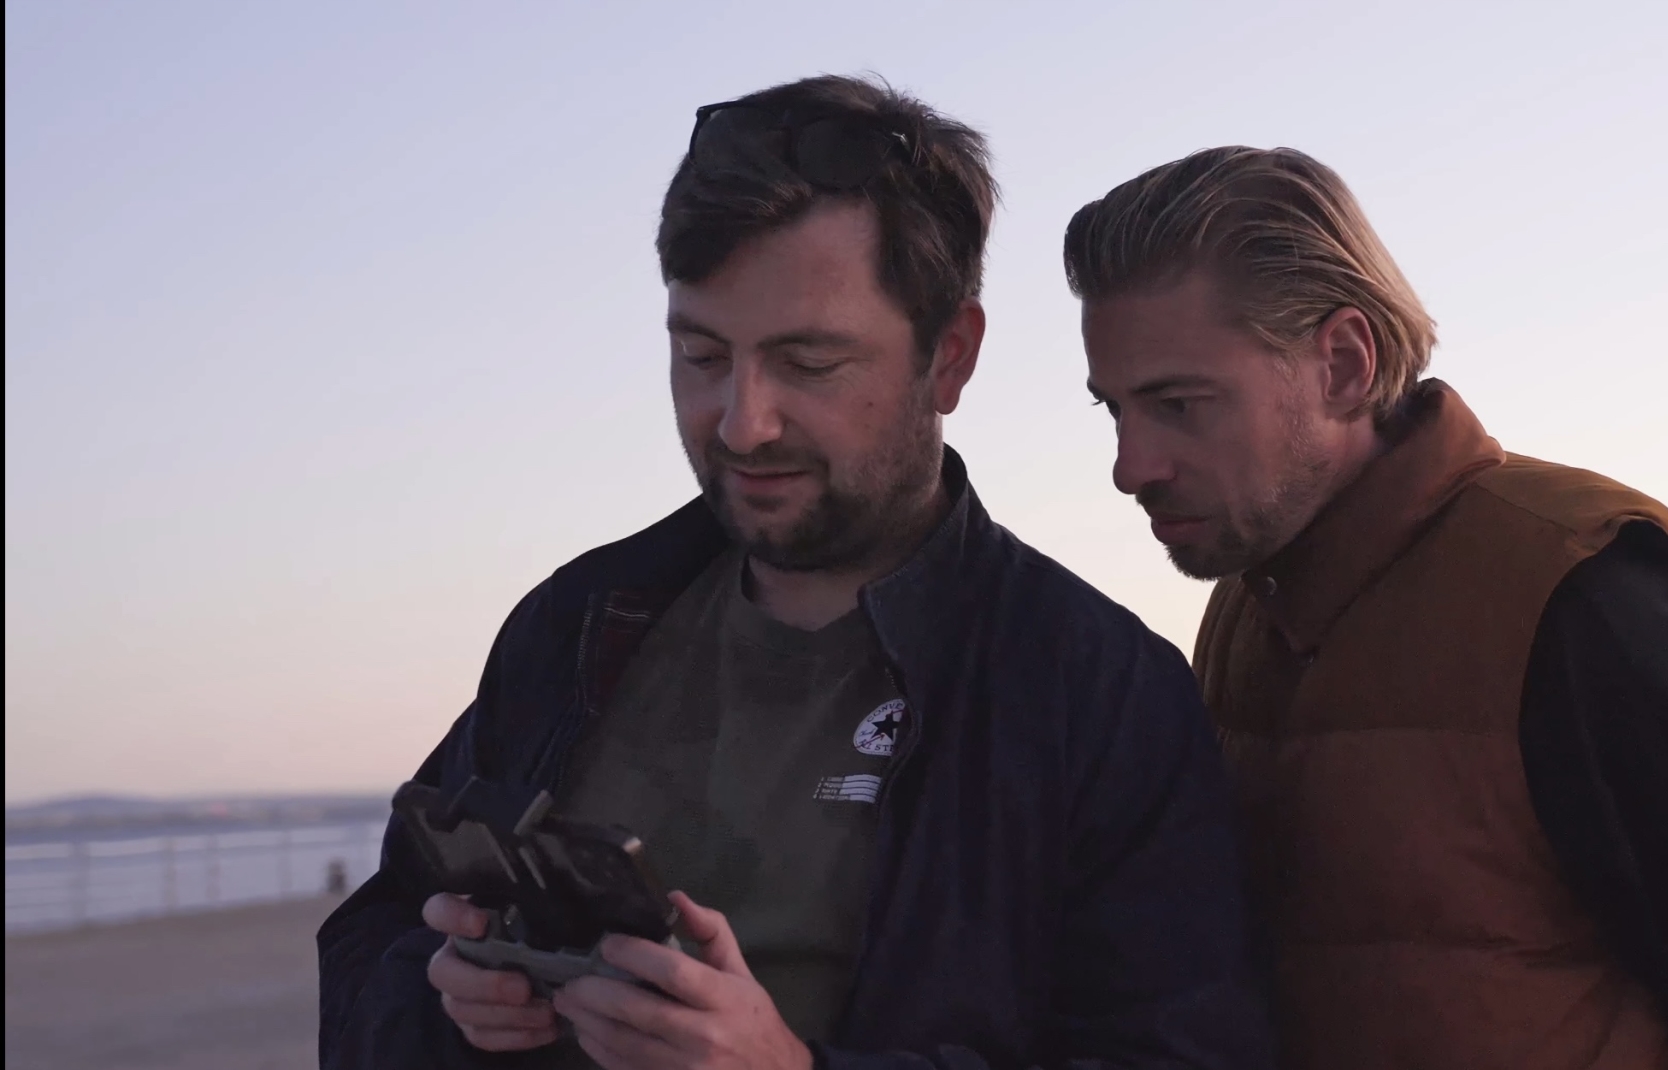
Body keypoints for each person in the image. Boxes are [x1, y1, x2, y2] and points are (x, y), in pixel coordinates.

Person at [317, 76, 1273, 1070]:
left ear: (949, 356)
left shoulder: (1097, 691)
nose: (743, 422)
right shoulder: (577, 622)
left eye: (808, 362)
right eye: (702, 355)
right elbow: (369, 942)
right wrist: (446, 998)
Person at [1064, 146, 1668, 1070]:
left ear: (1343, 364)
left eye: (1179, 405)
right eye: (1114, 411)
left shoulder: (1589, 601)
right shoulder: (1243, 607)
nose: (1129, 467)